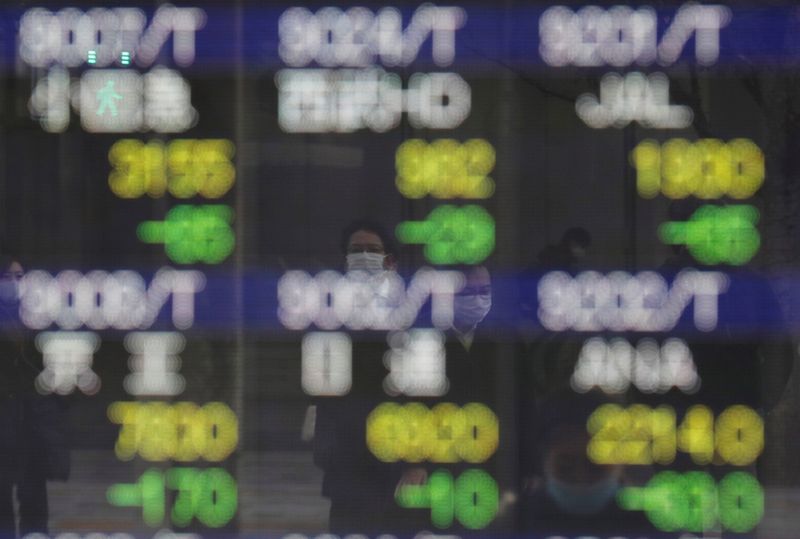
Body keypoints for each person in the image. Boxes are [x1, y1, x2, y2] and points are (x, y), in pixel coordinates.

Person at [0, 254, 69, 538]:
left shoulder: (37, 318)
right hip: (5, 419)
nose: (16, 284)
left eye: (20, 277)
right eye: (8, 277)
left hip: (31, 425)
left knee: (33, 495)